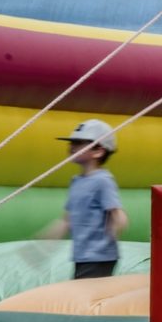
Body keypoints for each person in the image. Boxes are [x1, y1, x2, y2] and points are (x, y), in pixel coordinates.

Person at [40, 119, 127, 280]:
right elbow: (68, 219)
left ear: (98, 151)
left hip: (99, 256)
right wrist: (48, 239)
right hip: (83, 255)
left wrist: (117, 228)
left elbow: (116, 212)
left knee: (86, 299)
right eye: (71, 143)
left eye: (78, 143)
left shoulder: (103, 180)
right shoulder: (77, 181)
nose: (71, 147)